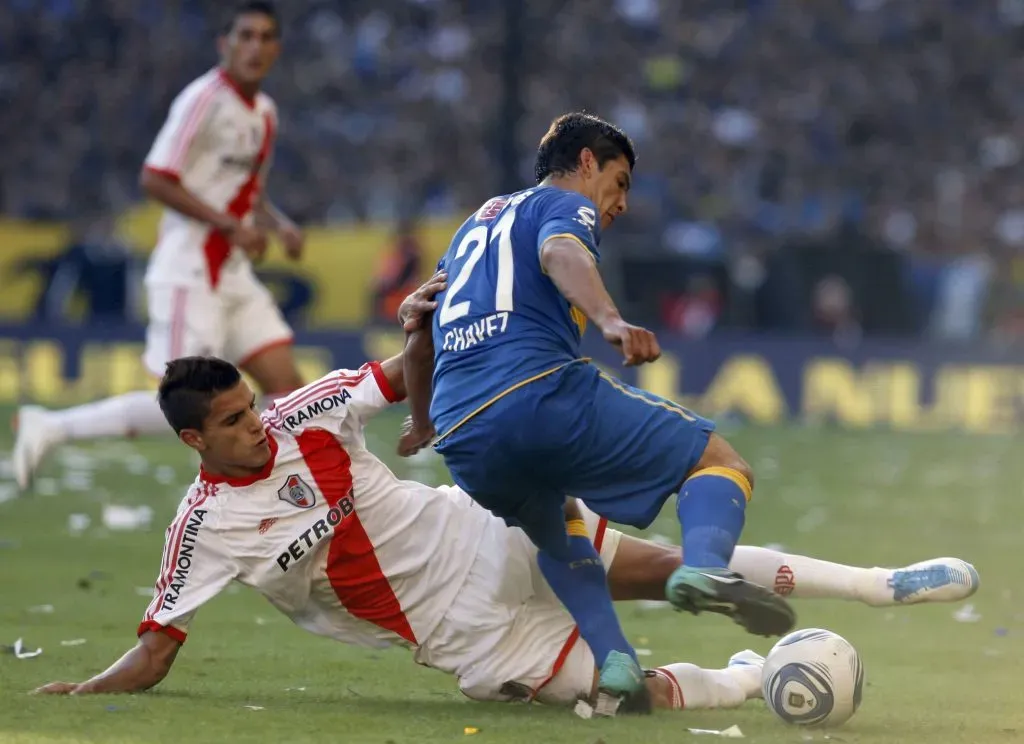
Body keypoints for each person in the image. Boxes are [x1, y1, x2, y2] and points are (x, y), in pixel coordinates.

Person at [31, 311, 979, 706]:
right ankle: (747, 673)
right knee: (623, 698)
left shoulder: (304, 412)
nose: (256, 425)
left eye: (250, 406)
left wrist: (419, 326)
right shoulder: (201, 531)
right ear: (195, 443)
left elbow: (405, 379)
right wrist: (84, 694)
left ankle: (878, 584)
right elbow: (157, 648)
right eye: (234, 423)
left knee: (663, 568)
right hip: (455, 635)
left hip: (479, 533)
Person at [398, 112, 792, 712]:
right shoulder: (561, 206)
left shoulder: (474, 227)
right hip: (534, 390)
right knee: (718, 460)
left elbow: (418, 330)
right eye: (622, 181)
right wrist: (610, 321)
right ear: (586, 163)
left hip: (462, 437)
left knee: (557, 524)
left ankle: (616, 662)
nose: (622, 203)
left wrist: (423, 422)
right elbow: (560, 251)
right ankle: (707, 568)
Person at [12, 1, 304, 491]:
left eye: (265, 37)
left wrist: (279, 223)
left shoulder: (265, 113)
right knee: (181, 403)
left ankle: (278, 495)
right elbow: (156, 178)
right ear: (225, 45)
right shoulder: (203, 99)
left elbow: (245, 191)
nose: (255, 46)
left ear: (277, 48)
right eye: (245, 36)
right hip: (189, 270)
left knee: (292, 392)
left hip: (232, 273)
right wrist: (231, 228)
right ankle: (53, 426)